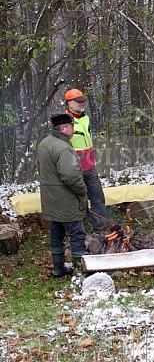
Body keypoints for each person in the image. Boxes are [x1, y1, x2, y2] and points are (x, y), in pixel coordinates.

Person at [37, 113, 88, 277]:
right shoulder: (64, 147)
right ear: (64, 128)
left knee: (57, 232)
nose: (73, 130)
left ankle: (59, 268)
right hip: (66, 199)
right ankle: (80, 270)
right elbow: (70, 176)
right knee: (77, 234)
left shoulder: (44, 144)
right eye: (72, 127)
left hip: (51, 198)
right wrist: (82, 190)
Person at [65, 88, 108, 232]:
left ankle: (101, 230)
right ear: (69, 103)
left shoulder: (85, 118)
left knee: (98, 198)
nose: (82, 104)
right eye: (78, 102)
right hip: (74, 169)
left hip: (90, 167)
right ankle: (76, 233)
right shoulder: (65, 122)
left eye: (82, 101)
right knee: (75, 202)